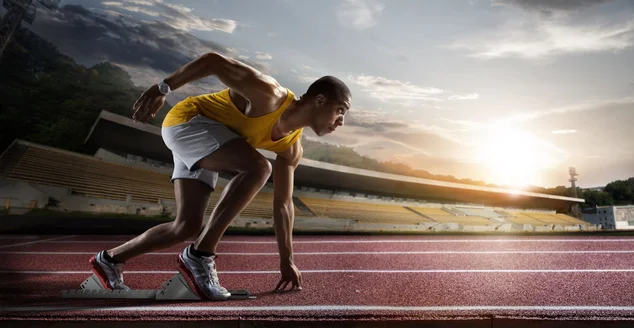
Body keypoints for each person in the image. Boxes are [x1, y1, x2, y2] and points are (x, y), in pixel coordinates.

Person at [87, 52, 352, 301]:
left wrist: (287, 260)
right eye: (341, 109)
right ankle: (200, 255)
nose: (342, 121)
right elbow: (213, 61)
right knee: (259, 168)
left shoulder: (292, 148)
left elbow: (283, 205)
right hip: (188, 121)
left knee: (187, 226)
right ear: (319, 100)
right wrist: (162, 88)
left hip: (213, 141)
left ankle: (109, 260)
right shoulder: (269, 94)